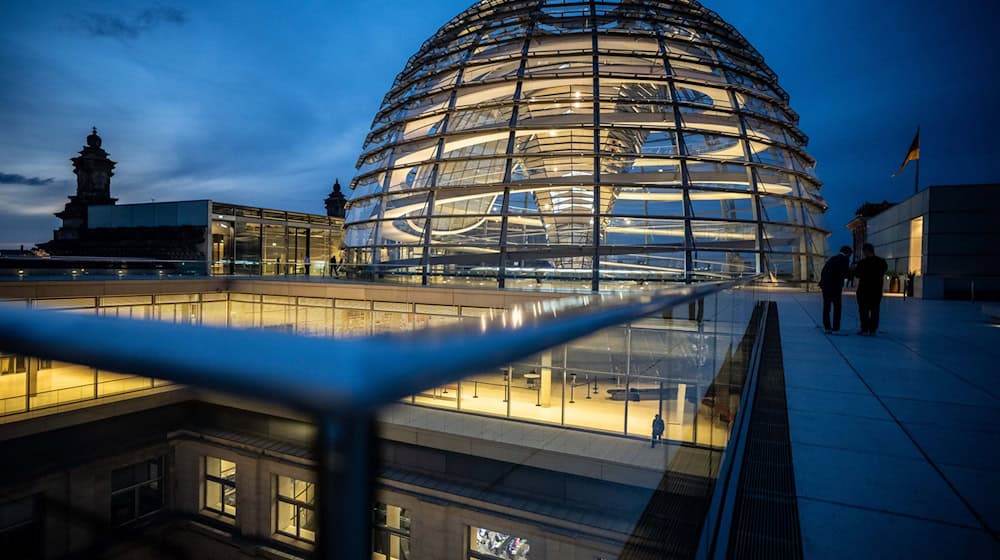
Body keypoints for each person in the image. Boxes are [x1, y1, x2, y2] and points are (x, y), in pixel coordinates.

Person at [853, 243, 888, 336]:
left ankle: (864, 329)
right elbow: (884, 271)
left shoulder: (862, 263)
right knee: (875, 310)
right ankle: (873, 330)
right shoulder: (881, 262)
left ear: (866, 251)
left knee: (863, 310)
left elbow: (856, 274)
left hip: (864, 290)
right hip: (876, 290)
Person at [818, 246, 852, 334]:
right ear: (848, 253)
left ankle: (827, 327)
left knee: (827, 306)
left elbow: (823, 271)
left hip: (825, 285)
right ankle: (836, 327)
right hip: (835, 286)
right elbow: (845, 273)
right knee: (837, 307)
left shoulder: (832, 259)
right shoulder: (844, 259)